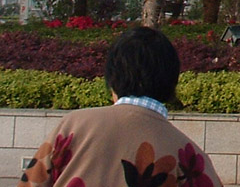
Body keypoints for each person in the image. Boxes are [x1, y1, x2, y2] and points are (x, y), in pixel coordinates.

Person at [19, 26, 223, 187]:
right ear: (172, 82)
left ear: (112, 79)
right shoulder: (187, 154)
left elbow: (31, 182)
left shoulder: (73, 126)